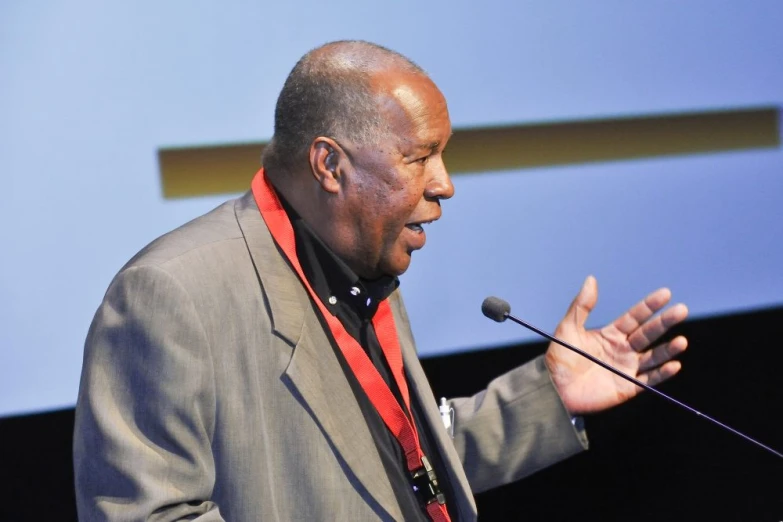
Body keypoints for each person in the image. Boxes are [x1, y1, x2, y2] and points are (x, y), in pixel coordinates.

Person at [73, 40, 689, 521]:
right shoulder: (169, 295)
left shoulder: (361, 265)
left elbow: (394, 463)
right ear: (330, 165)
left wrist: (549, 392)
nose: (445, 184)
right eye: (419, 157)